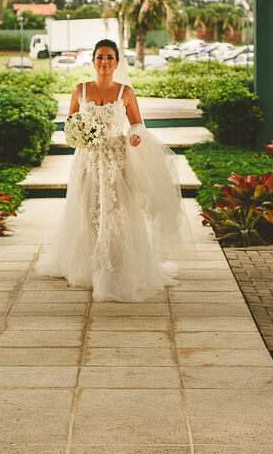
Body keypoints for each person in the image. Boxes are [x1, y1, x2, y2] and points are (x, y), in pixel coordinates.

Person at [36, 39, 194, 301]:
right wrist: (76, 135)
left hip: (115, 160)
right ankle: (87, 265)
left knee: (116, 211)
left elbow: (137, 125)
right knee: (86, 210)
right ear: (93, 61)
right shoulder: (80, 90)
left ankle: (117, 264)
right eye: (100, 57)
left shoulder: (126, 92)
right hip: (87, 160)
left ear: (117, 62)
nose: (104, 62)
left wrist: (135, 136)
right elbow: (70, 124)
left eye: (110, 57)